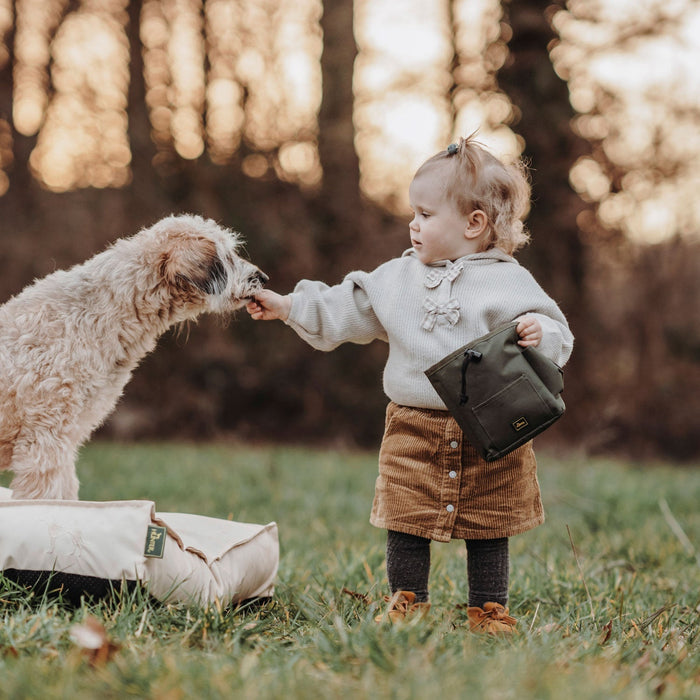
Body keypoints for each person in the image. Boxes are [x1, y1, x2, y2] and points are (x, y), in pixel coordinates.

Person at [246, 135, 574, 634]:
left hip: (490, 430)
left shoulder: (508, 281)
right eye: (412, 214)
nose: (412, 225)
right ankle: (408, 601)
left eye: (424, 215)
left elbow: (557, 333)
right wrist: (289, 306)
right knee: (406, 517)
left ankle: (488, 608)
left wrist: (539, 334)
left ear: (474, 223)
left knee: (489, 523)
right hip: (412, 425)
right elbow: (345, 308)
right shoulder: (396, 278)